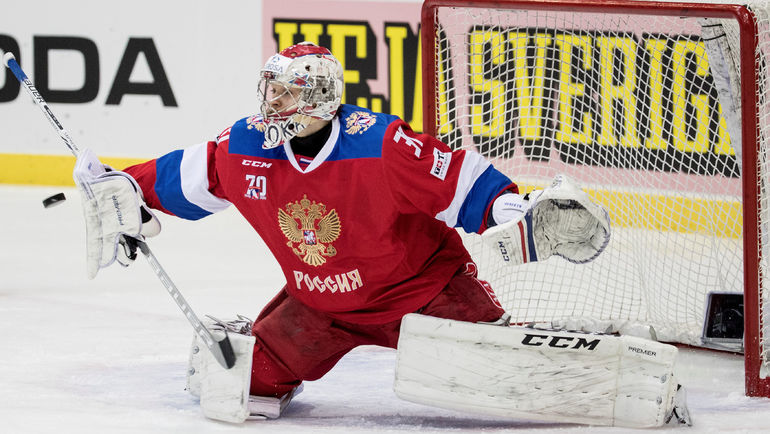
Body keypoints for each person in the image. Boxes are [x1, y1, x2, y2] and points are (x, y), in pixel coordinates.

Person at [74, 42, 611, 422]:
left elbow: (461, 184)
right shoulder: (244, 147)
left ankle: (582, 347)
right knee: (238, 387)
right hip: (320, 308)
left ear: (322, 98)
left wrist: (516, 210)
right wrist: (125, 187)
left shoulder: (380, 145)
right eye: (271, 89)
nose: (274, 103)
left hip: (423, 294)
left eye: (289, 92)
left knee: (520, 377)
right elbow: (185, 177)